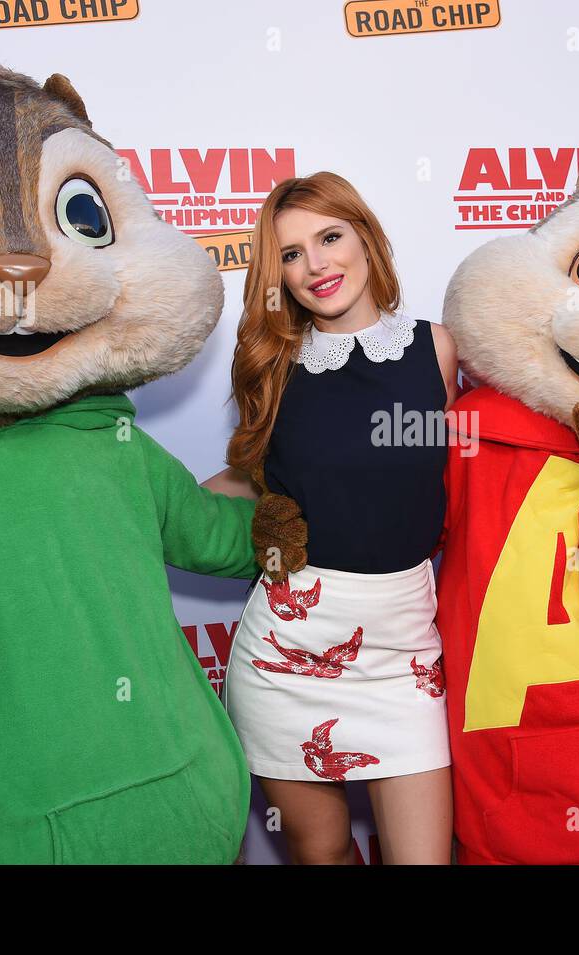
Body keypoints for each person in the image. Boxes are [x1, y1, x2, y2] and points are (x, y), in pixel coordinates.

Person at [206, 172, 457, 864]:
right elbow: (250, 480)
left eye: (328, 237)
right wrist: (135, 505)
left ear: (365, 239)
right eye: (290, 253)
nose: (314, 264)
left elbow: (466, 473)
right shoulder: (272, 365)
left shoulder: (437, 349)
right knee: (322, 856)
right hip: (287, 652)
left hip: (403, 651)